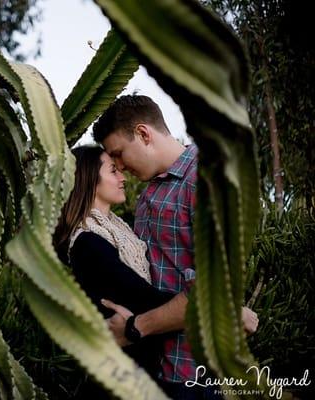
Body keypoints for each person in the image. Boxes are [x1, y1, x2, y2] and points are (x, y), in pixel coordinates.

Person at [91, 94, 258, 399]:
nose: (118, 166)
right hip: (151, 371)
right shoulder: (146, 198)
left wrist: (135, 327)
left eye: (118, 153)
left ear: (143, 134)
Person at [54, 145, 177, 383]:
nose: (123, 177)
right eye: (113, 171)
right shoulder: (87, 244)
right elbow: (148, 301)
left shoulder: (118, 232)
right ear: (89, 179)